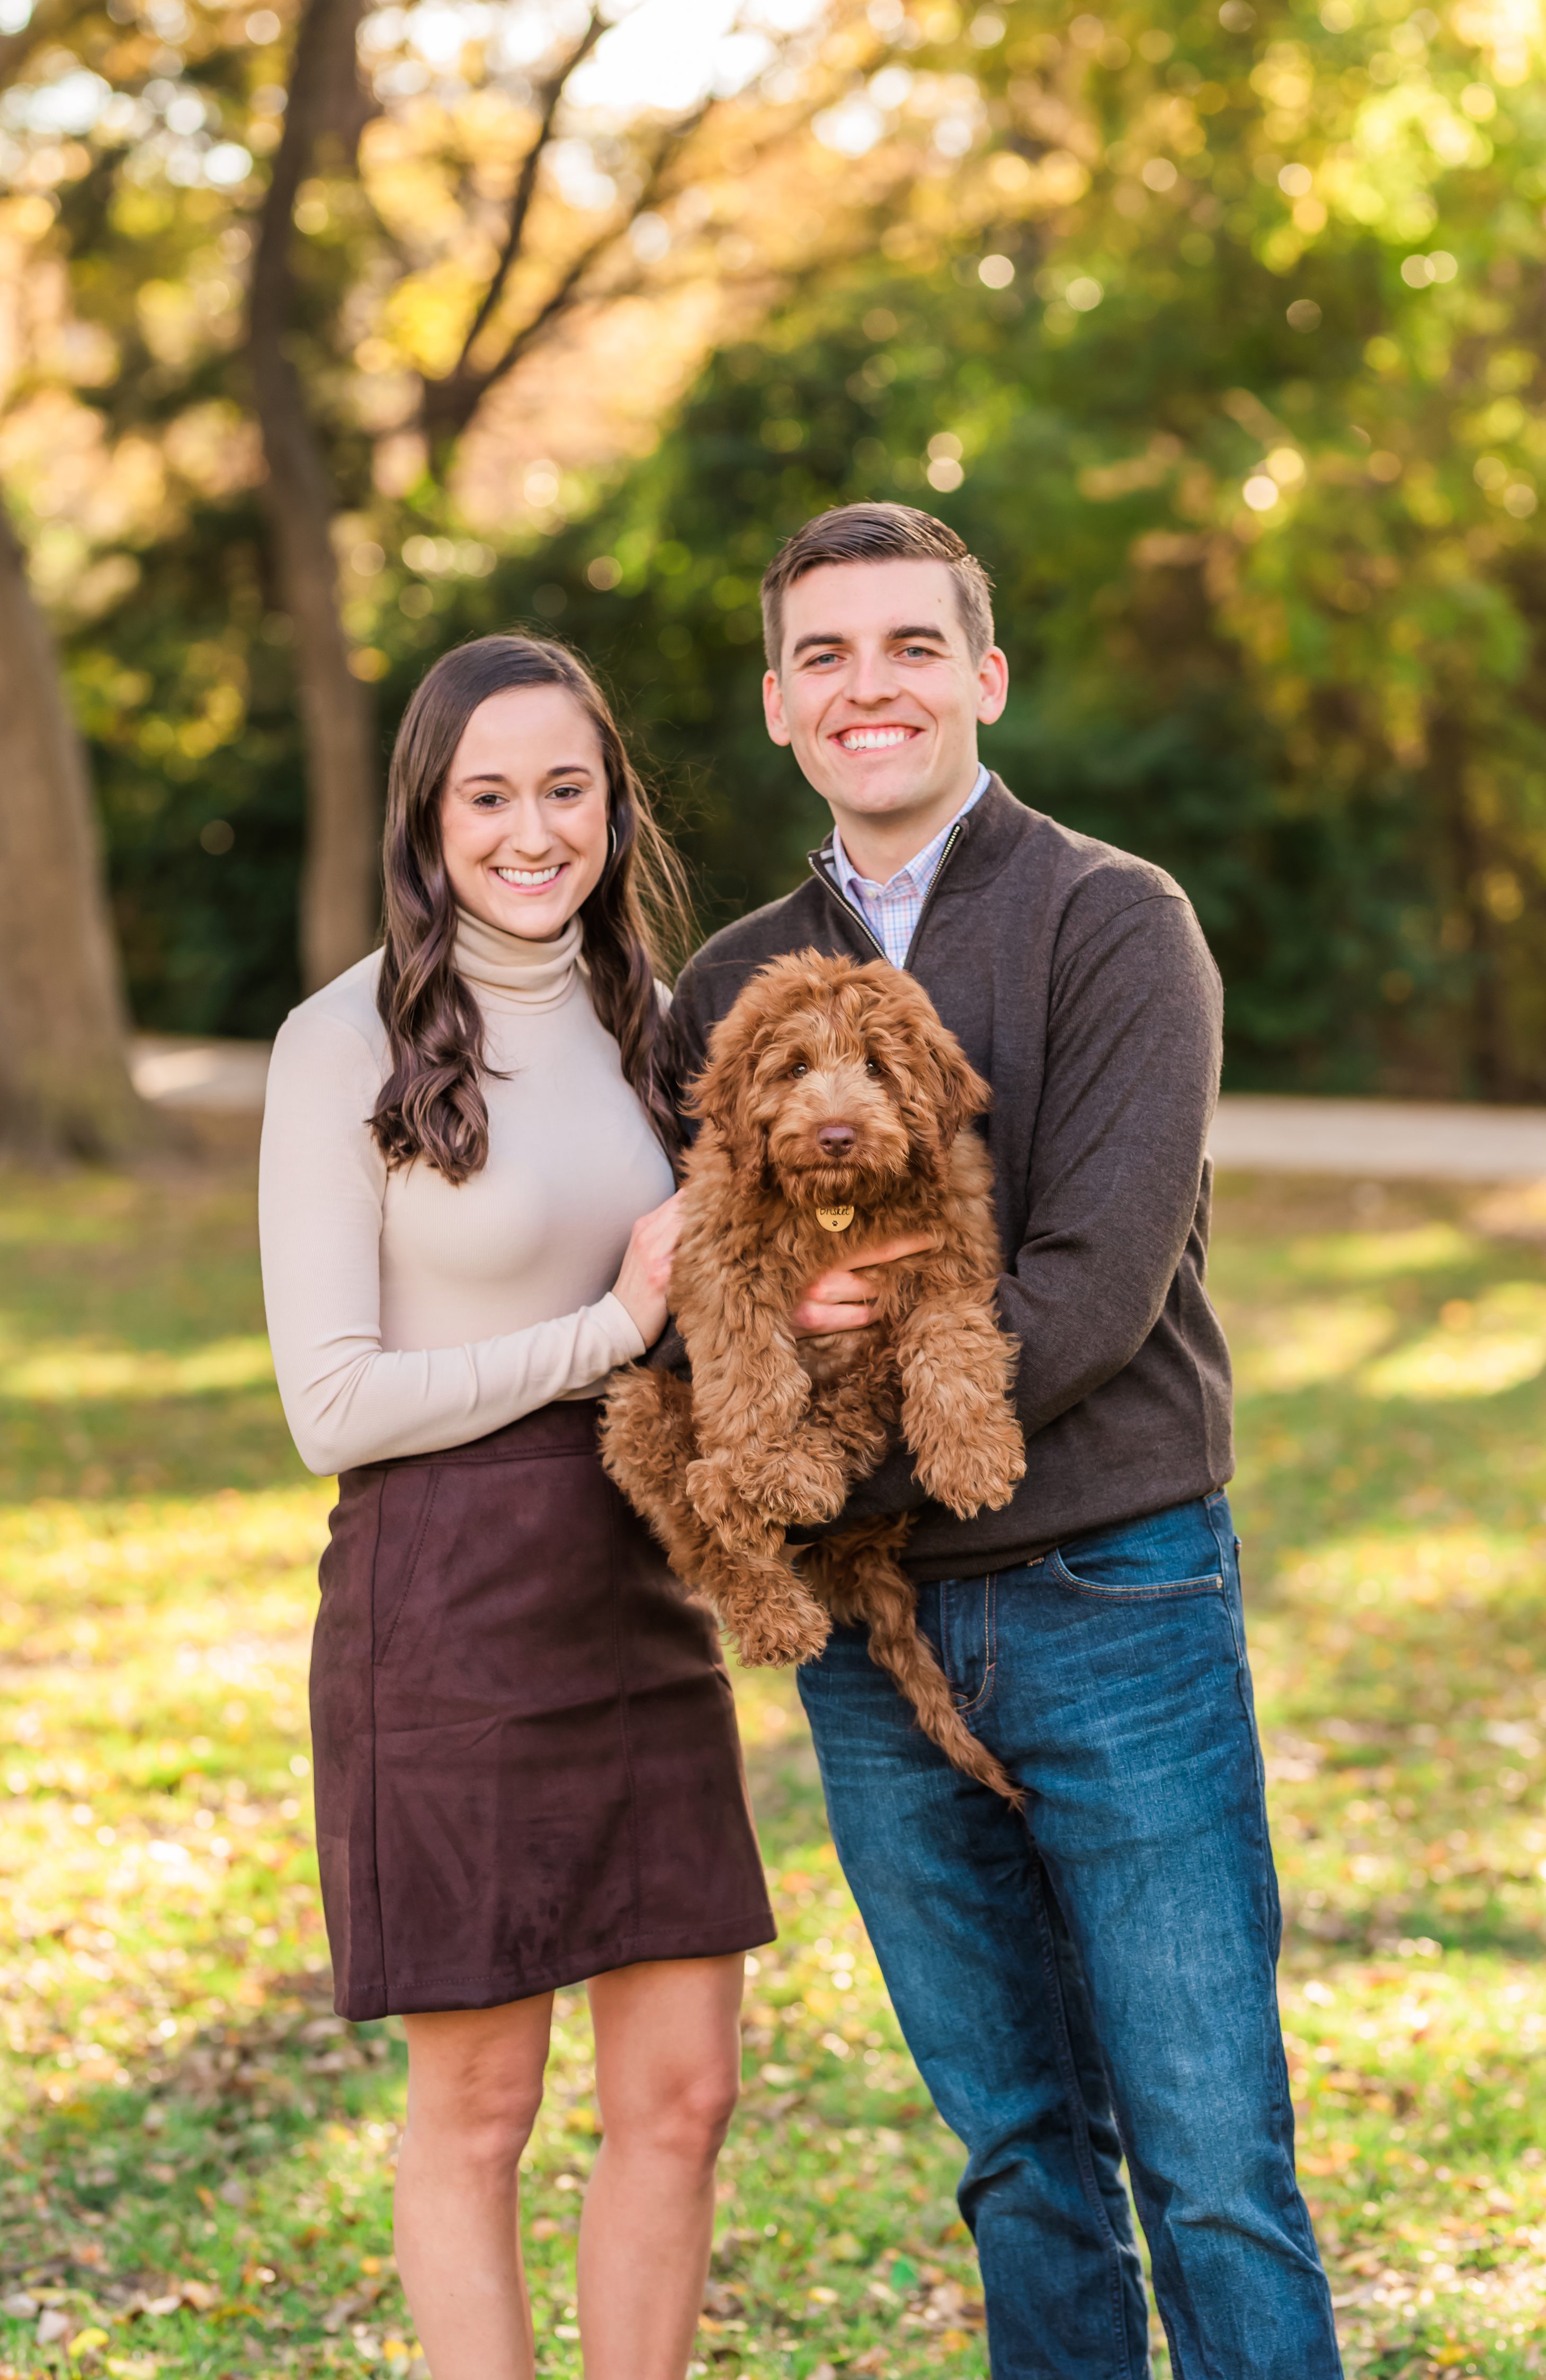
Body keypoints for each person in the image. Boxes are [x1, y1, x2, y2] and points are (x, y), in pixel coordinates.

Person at [662, 504, 1342, 2380]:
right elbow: (687, 1279)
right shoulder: (727, 985)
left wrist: (816, 1474)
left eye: (906, 648)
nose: (866, 686)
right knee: (1022, 2157)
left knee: (1212, 2162)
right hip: (873, 1658)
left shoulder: (1116, 919)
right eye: (824, 657)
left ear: (985, 677)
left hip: (1110, 1592)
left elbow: (1098, 1282)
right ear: (784, 706)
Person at [258, 634, 774, 2380]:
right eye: (492, 794)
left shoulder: (657, 1026)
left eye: (569, 788)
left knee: (685, 2093)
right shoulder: (343, 1044)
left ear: (615, 809)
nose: (534, 829)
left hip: (640, 1585)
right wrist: (610, 1329)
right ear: (430, 816)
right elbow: (329, 1406)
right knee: (480, 2103)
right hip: (447, 1598)